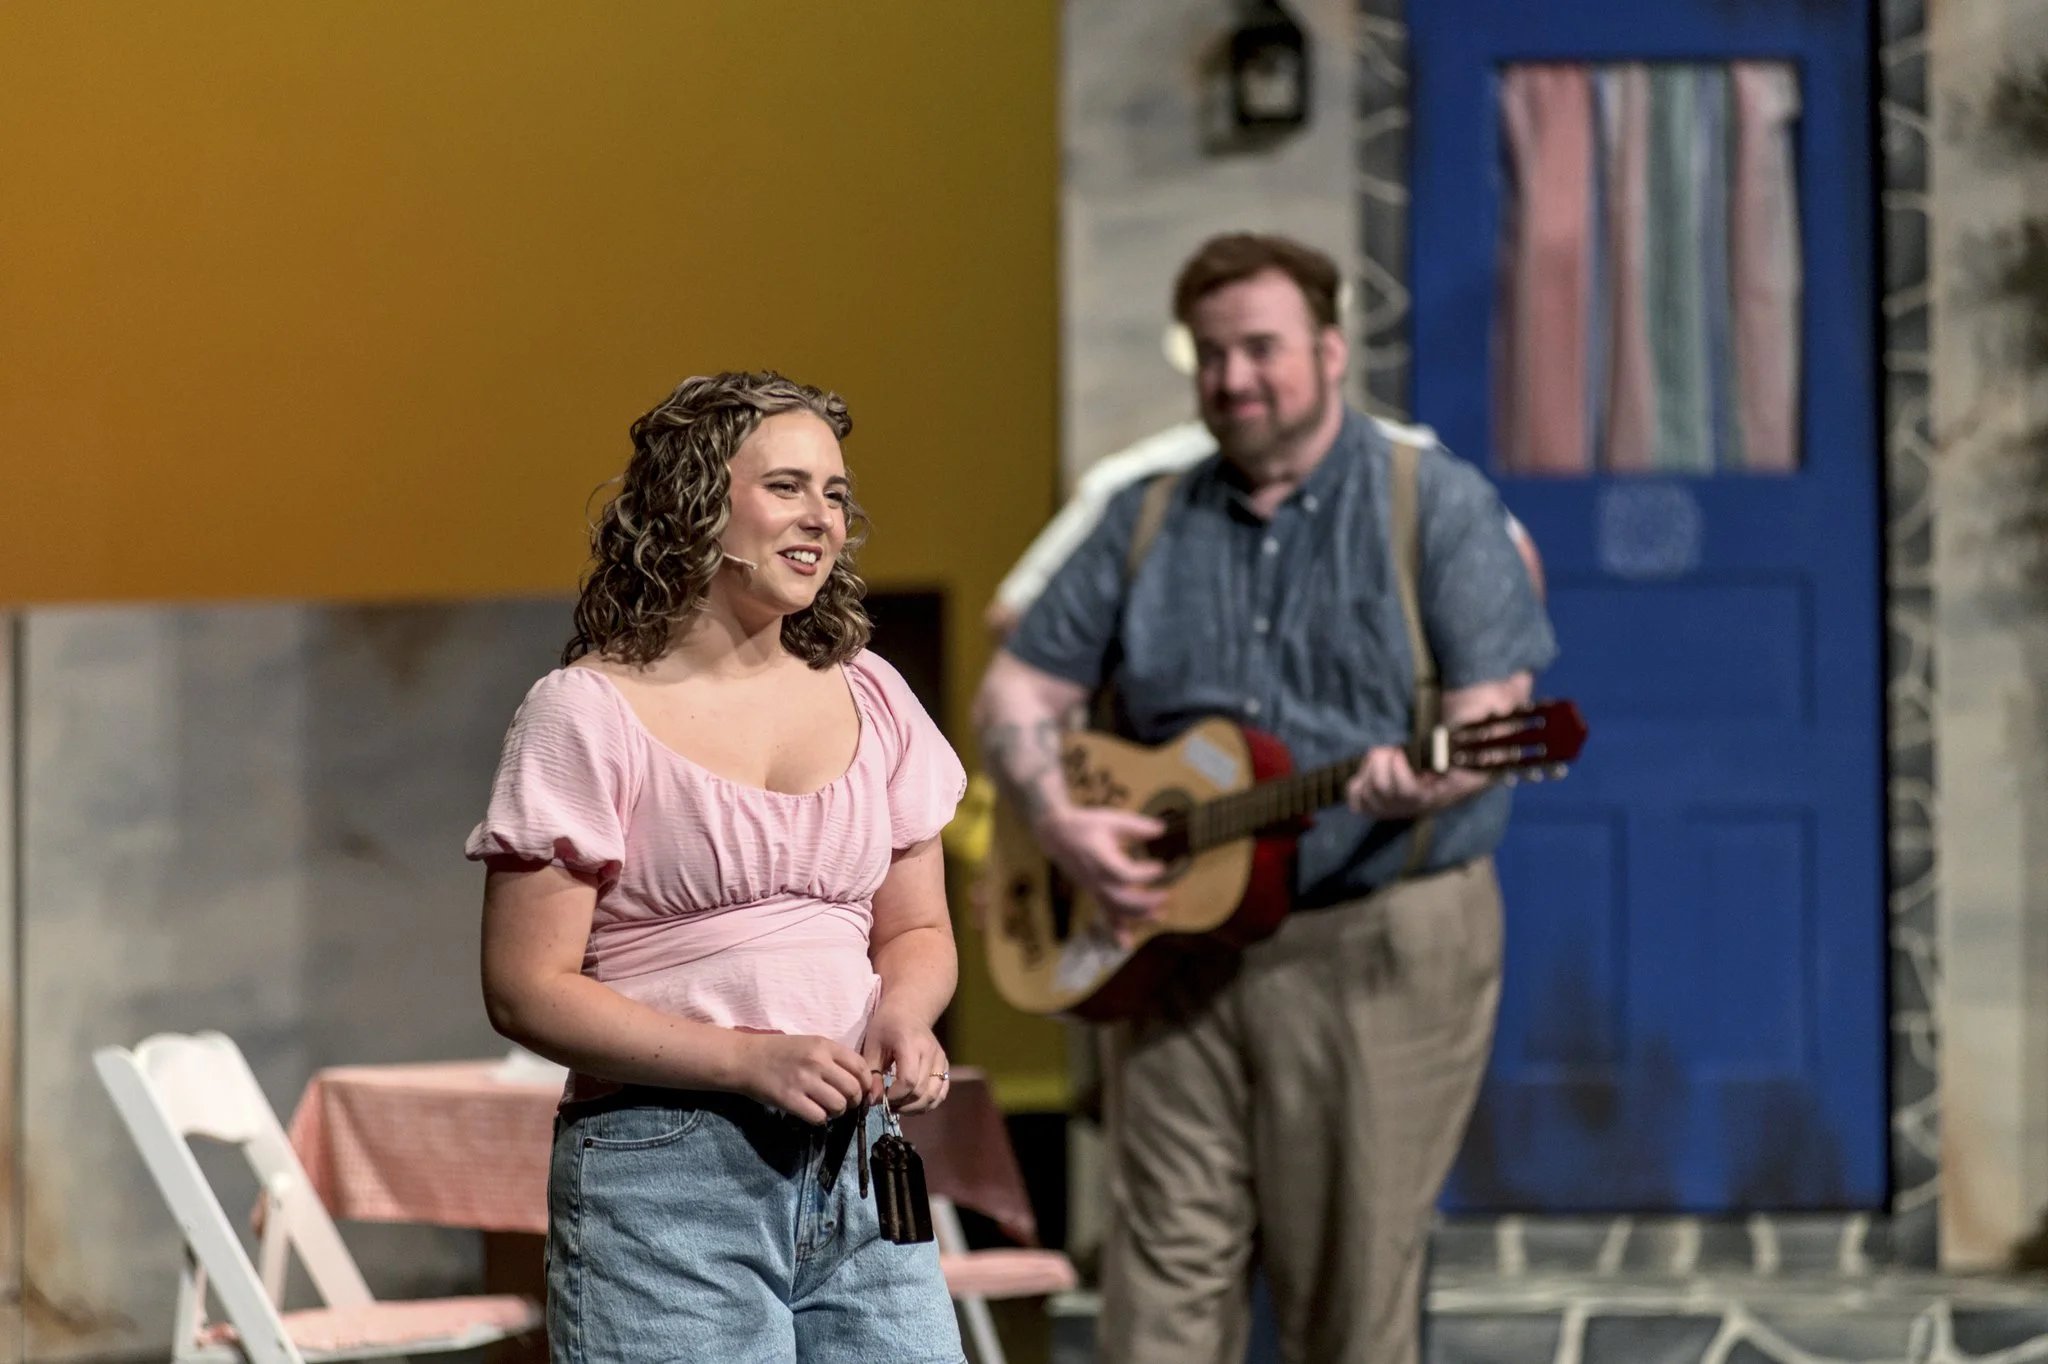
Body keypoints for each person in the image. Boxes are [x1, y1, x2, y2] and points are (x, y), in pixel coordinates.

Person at [971, 234, 1558, 1364]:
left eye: (1259, 348)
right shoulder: (1141, 514)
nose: (1231, 377)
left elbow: (1495, 714)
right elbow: (1017, 689)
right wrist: (1057, 818)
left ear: (1330, 351)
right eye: (1209, 352)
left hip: (1373, 937)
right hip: (1171, 944)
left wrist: (1433, 773)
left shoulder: (1431, 501)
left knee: (1347, 1295)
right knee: (1158, 1295)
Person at [469, 371, 969, 1364]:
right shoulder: (585, 711)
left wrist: (903, 1017)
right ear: (695, 502)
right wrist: (749, 1059)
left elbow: (914, 930)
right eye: (786, 486)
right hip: (665, 1173)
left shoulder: (871, 692)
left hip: (860, 1163)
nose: (821, 517)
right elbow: (524, 989)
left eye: (834, 493)